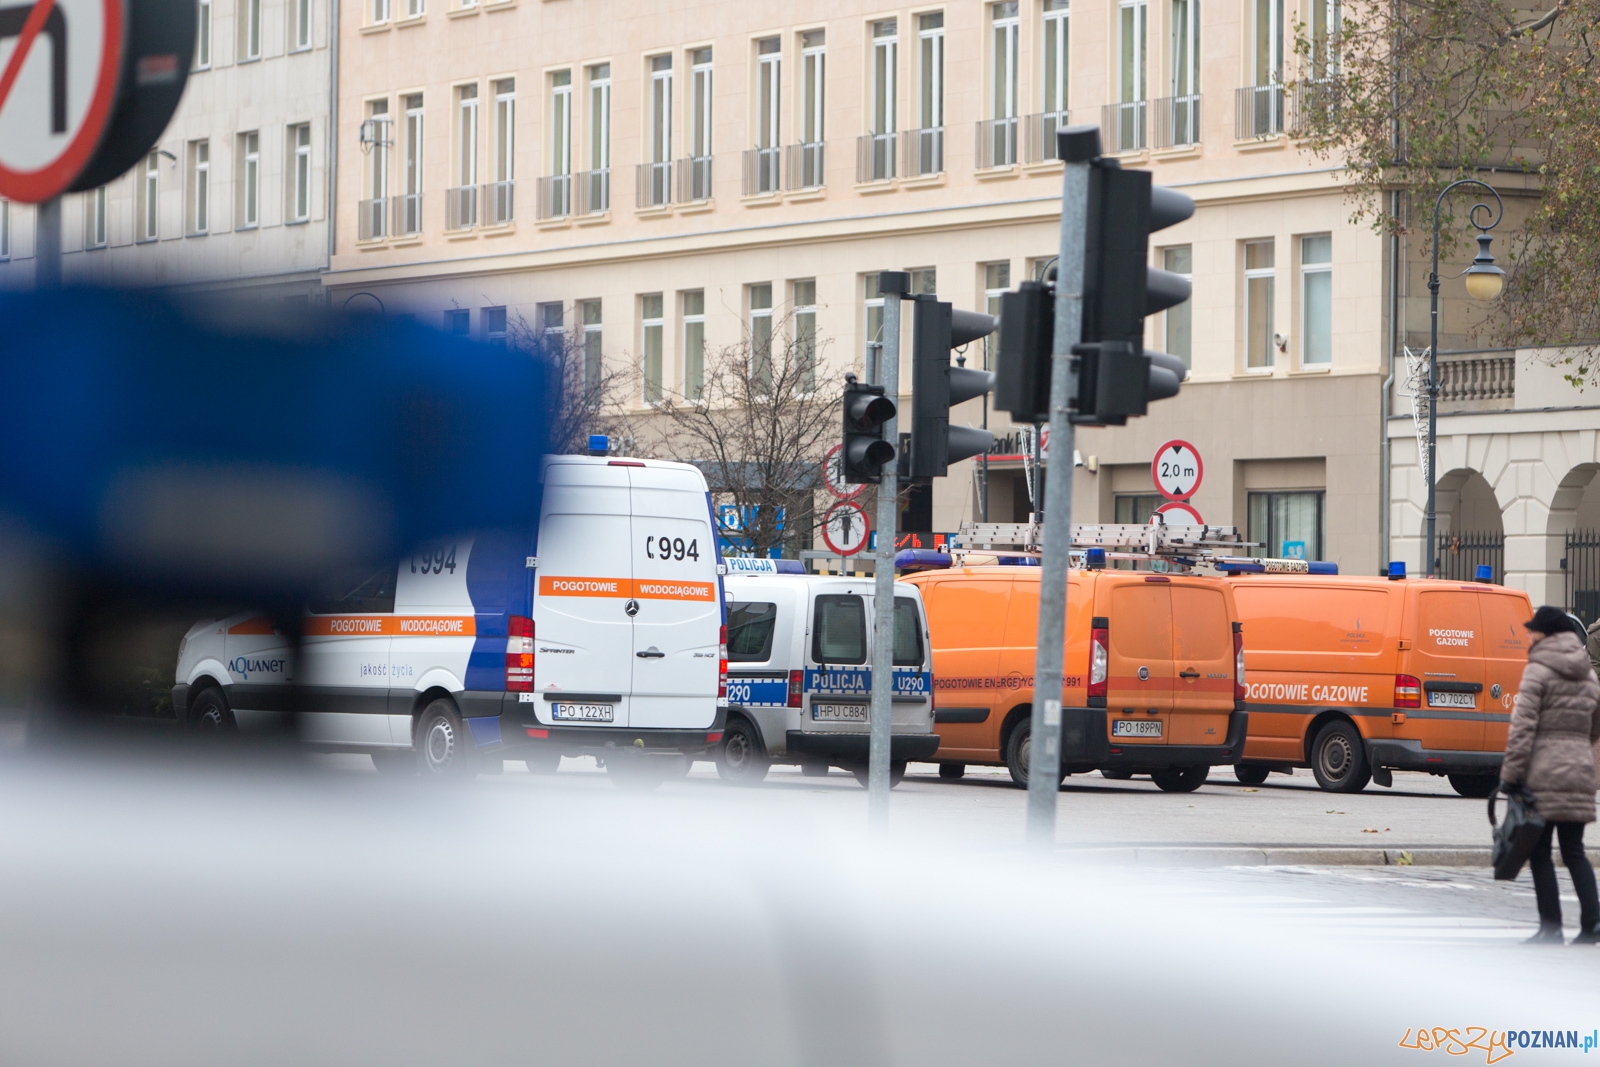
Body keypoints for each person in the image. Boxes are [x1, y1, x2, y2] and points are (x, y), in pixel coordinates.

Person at [1501, 605, 1600, 944]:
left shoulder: (1537, 671)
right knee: (1574, 850)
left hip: (1543, 775)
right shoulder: (1588, 673)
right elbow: (1596, 726)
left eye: (1533, 630)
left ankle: (1551, 927)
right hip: (1579, 772)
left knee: (1540, 851)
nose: (1529, 634)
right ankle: (1593, 924)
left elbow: (1522, 729)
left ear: (1546, 634)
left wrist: (1510, 776)